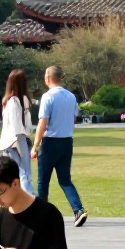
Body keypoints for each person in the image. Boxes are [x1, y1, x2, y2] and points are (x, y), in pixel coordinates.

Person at [31, 65, 87, 227]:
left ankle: (41, 216)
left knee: (43, 181)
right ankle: (78, 209)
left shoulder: (48, 97)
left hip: (50, 142)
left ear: (47, 78)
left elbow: (43, 122)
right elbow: (74, 118)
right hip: (66, 141)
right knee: (65, 180)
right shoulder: (71, 97)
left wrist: (35, 145)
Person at [0, 69, 36, 194]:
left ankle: (27, 202)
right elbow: (19, 127)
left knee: (19, 175)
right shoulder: (16, 101)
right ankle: (30, 203)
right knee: (24, 174)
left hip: (10, 142)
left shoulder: (12, 101)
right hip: (16, 141)